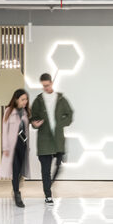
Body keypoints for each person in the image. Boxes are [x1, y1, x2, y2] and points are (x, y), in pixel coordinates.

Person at [30, 72, 73, 204]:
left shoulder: (60, 99)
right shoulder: (38, 100)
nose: (45, 88)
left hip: (58, 139)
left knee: (59, 165)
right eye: (43, 86)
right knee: (45, 170)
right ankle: (48, 195)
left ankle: (49, 185)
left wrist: (60, 123)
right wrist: (34, 123)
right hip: (44, 140)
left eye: (47, 85)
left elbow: (69, 114)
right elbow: (33, 117)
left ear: (52, 83)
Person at [0, 89, 33, 208]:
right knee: (16, 170)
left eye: (26, 99)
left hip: (23, 145)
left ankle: (15, 189)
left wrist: (28, 146)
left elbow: (27, 130)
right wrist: (5, 147)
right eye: (23, 99)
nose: (25, 101)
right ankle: (17, 195)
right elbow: (4, 130)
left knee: (20, 172)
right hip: (13, 146)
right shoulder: (8, 111)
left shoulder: (25, 112)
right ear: (16, 99)